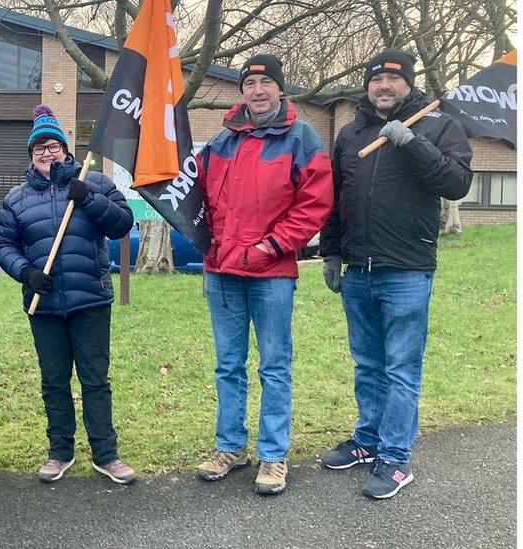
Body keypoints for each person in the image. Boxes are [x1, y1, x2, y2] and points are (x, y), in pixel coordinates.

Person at [319, 50, 472, 499]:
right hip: (359, 271)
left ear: (408, 83)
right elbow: (337, 198)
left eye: (392, 79)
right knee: (368, 365)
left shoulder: (438, 126)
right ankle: (368, 442)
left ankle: (396, 458)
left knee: (402, 369)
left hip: (407, 269)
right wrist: (331, 253)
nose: (383, 87)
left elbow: (457, 184)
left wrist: (411, 142)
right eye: (376, 80)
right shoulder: (350, 134)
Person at [194, 54, 333, 495]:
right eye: (250, 82)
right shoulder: (221, 141)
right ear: (242, 91)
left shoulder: (301, 138)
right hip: (222, 272)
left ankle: (273, 455)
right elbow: (189, 190)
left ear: (279, 88)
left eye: (266, 82)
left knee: (274, 367)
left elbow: (314, 204)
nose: (257, 89)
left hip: (272, 273)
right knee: (228, 366)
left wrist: (272, 246)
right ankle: (230, 447)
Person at [0, 104, 136, 485]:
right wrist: (26, 272)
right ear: (31, 153)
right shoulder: (17, 198)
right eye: (38, 147)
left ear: (65, 149)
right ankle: (60, 451)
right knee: (54, 381)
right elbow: (3, 243)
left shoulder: (96, 182)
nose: (46, 152)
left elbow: (122, 224)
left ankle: (106, 454)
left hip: (90, 300)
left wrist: (88, 198)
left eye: (52, 144)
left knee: (95, 380)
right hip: (45, 305)